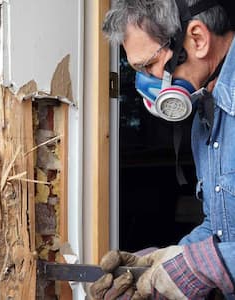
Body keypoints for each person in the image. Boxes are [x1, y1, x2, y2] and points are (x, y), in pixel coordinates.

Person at [90, 0, 235, 299]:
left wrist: (205, 267)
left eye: (148, 65)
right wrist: (161, 266)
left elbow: (215, 261)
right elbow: (221, 227)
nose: (146, 83)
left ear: (197, 39)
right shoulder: (205, 115)